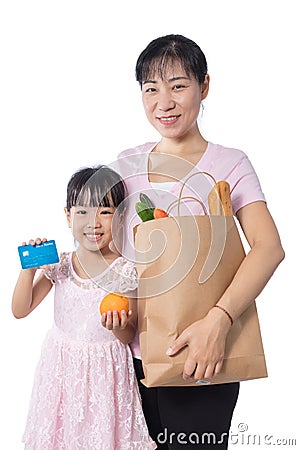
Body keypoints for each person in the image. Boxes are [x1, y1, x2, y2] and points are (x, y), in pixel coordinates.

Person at [115, 34, 285, 449]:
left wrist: (218, 321)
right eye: (150, 89)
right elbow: (109, 251)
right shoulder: (126, 165)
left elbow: (269, 248)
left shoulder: (229, 163)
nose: (164, 102)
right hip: (124, 359)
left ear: (204, 86)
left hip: (201, 357)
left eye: (177, 85)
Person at [12, 165, 156, 450]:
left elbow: (128, 336)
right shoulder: (62, 265)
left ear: (121, 216)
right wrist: (28, 270)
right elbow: (20, 309)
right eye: (83, 212)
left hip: (106, 376)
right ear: (68, 216)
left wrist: (119, 326)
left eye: (105, 211)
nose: (93, 222)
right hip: (62, 372)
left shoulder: (125, 271)